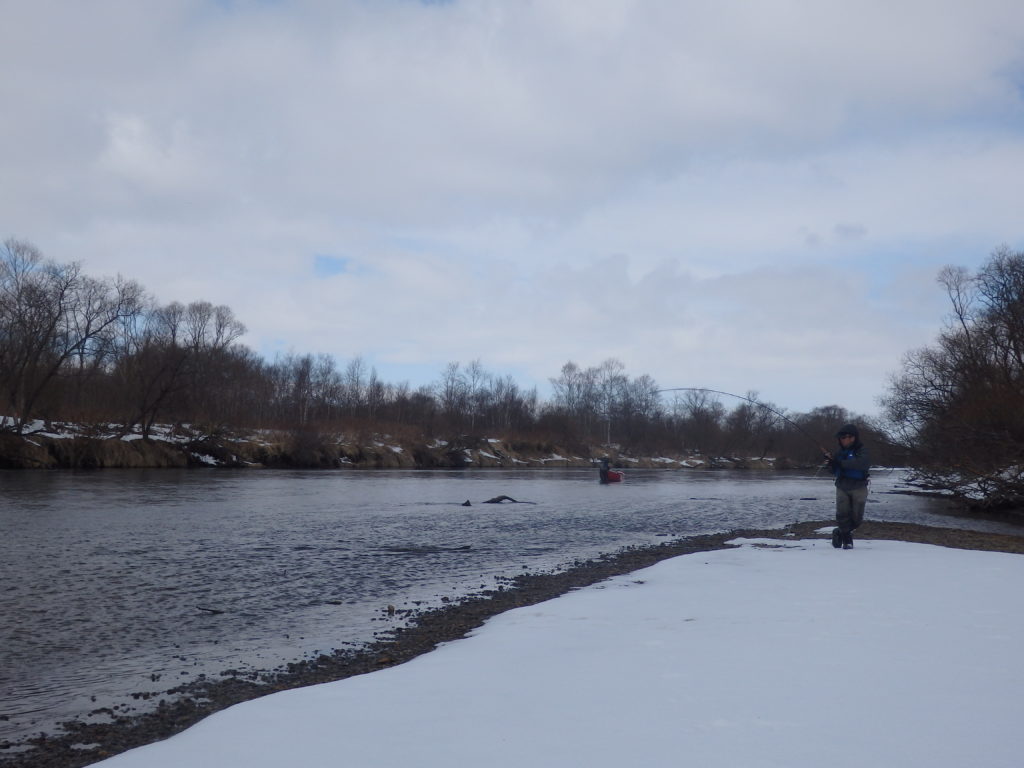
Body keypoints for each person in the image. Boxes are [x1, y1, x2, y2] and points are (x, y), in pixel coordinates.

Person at [822, 424, 870, 549]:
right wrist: (830, 463)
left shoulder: (862, 450)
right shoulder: (839, 453)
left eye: (844, 437)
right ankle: (847, 540)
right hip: (842, 486)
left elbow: (861, 464)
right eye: (841, 438)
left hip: (859, 486)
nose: (842, 440)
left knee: (857, 518)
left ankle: (839, 532)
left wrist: (839, 462)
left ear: (852, 437)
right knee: (842, 514)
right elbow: (833, 471)